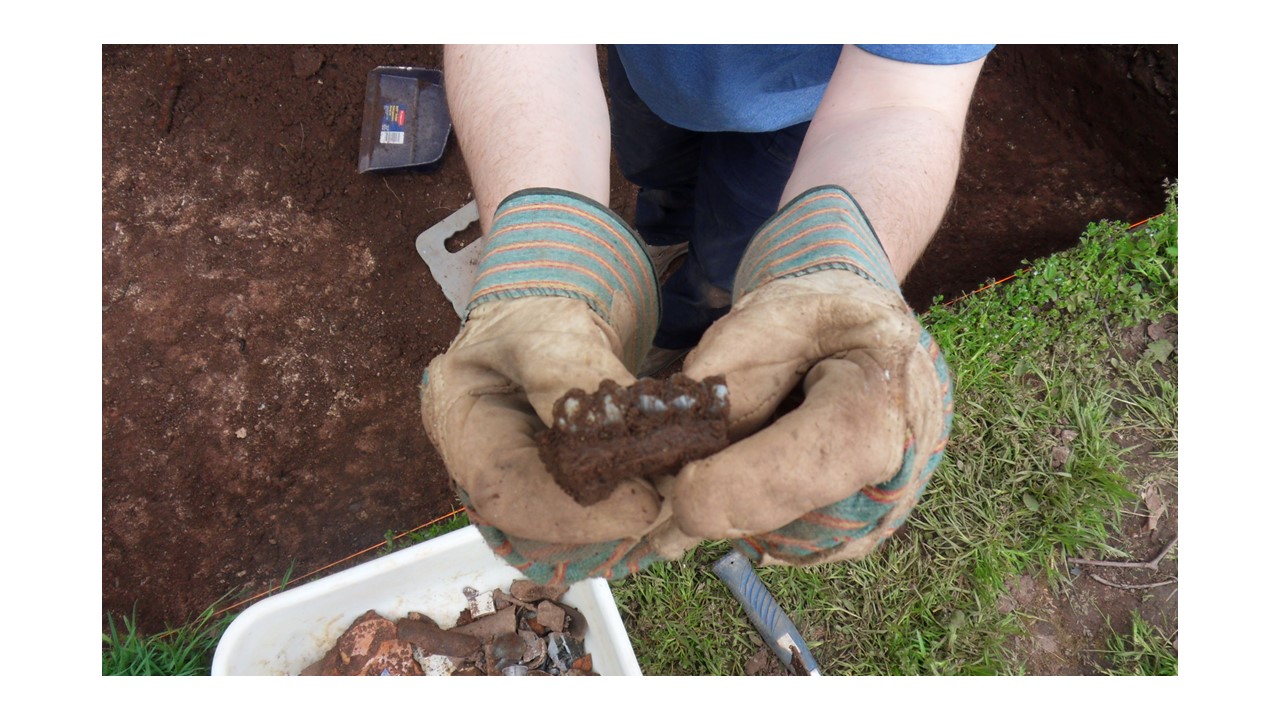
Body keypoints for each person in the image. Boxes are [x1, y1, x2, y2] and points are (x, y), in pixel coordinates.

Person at [420, 44, 993, 585]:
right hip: (647, 69)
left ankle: (698, 310)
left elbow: (903, 94)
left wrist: (832, 272)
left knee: (729, 252)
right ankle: (665, 247)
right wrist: (543, 268)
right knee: (658, 182)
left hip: (798, 113)